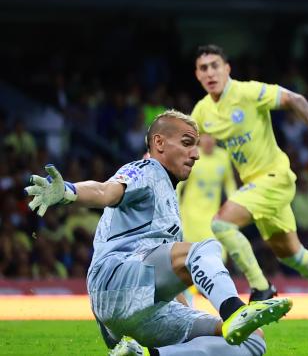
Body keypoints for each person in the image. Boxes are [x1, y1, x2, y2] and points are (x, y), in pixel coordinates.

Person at [24, 110, 292, 356]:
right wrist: (69, 191)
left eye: (196, 145)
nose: (196, 154)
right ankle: (235, 310)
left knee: (252, 340)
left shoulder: (169, 200)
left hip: (147, 308)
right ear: (159, 143)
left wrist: (189, 323)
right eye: (188, 143)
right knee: (202, 250)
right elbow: (105, 191)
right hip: (118, 282)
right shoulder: (145, 170)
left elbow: (167, 280)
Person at [191, 44, 308, 326]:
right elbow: (185, 137)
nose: (210, 72)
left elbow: (296, 99)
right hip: (256, 186)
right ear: (197, 75)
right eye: (203, 68)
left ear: (227, 68)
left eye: (215, 65)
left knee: (221, 224)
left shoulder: (247, 92)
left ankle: (261, 287)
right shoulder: (203, 110)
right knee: (292, 255)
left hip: (274, 178)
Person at [178, 133, 237, 244]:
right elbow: (178, 184)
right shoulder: (191, 155)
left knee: (216, 255)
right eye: (205, 136)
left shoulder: (223, 156)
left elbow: (229, 183)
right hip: (190, 217)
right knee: (189, 256)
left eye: (211, 135)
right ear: (199, 138)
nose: (208, 140)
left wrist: (233, 204)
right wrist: (174, 208)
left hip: (213, 217)